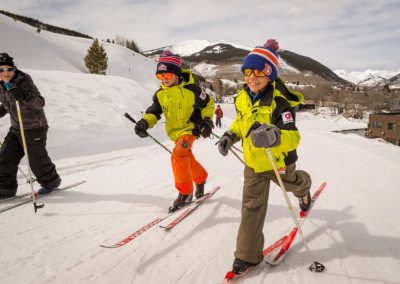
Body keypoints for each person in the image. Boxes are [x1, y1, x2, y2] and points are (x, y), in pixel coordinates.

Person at [217, 40, 312, 274]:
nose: (252, 77)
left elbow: (293, 137)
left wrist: (275, 135)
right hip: (253, 162)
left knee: (292, 184)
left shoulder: (280, 102)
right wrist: (231, 135)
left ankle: (305, 187)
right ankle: (247, 255)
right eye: (247, 72)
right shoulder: (242, 96)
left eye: (259, 72)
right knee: (251, 206)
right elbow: (241, 122)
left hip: (277, 160)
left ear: (270, 74)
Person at [134, 50, 215, 212]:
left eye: (167, 75)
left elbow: (208, 104)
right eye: (160, 76)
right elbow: (153, 113)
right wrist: (144, 123)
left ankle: (185, 192)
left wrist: (206, 121)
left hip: (191, 129)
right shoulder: (160, 94)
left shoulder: (192, 90)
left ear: (177, 74)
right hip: (174, 133)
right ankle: (200, 178)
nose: (164, 79)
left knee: (178, 155)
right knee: (186, 158)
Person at [0, 53, 61, 198]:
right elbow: (7, 105)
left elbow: (40, 102)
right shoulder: (1, 84)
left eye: (9, 69)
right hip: (16, 127)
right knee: (5, 157)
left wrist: (24, 95)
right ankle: (5, 190)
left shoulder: (24, 81)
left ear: (14, 69)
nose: (6, 73)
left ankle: (51, 183)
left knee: (36, 160)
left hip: (34, 127)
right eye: (1, 70)